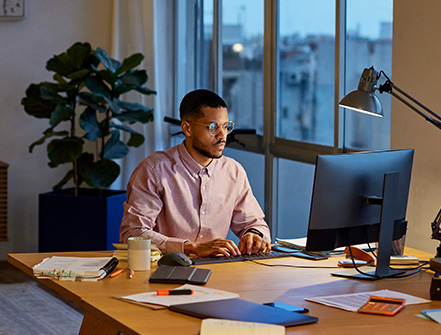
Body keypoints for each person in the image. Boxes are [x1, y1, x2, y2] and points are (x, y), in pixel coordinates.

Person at [120, 89, 271, 257]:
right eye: (213, 127)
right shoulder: (154, 170)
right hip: (165, 268)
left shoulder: (233, 172)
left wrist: (253, 235)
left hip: (218, 270)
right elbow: (132, 234)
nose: (222, 136)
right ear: (187, 128)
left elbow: (255, 224)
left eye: (226, 126)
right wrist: (190, 247)